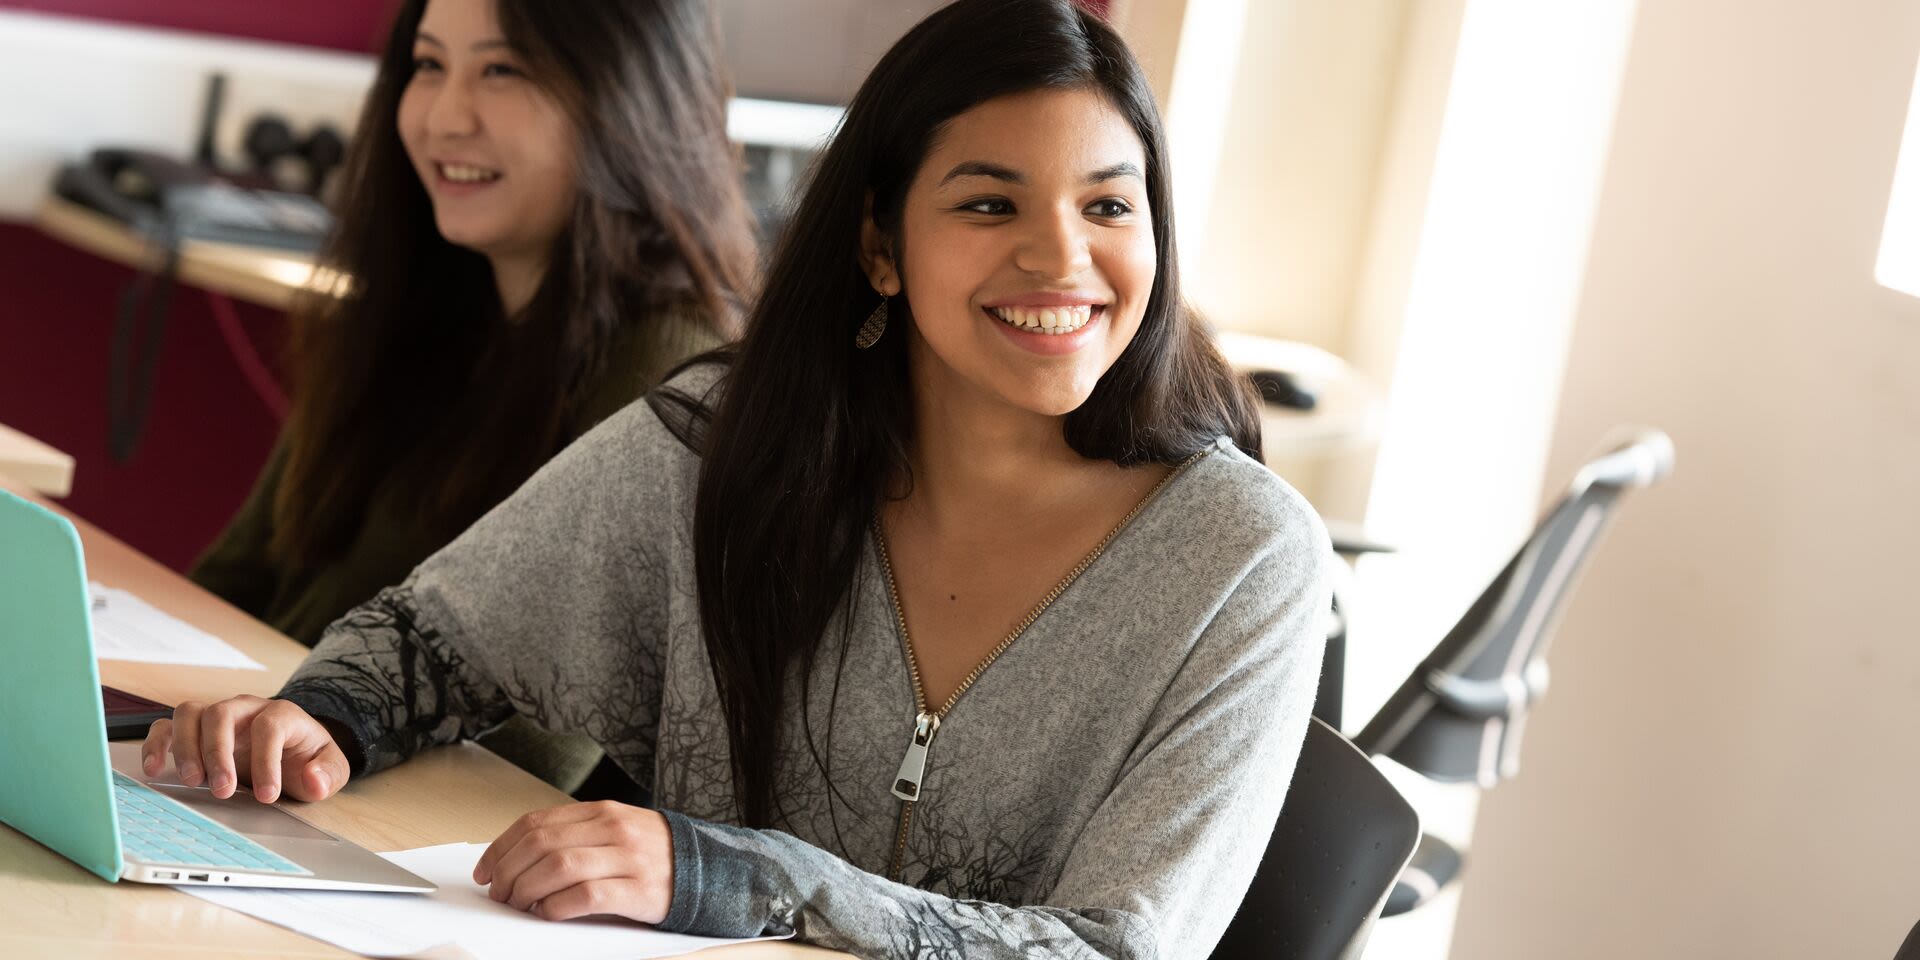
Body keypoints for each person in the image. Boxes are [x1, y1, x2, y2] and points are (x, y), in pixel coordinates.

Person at [146, 0, 1330, 955]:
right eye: (988, 202)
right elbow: (434, 637)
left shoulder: (1243, 557)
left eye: (1109, 206)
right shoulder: (724, 436)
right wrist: (316, 718)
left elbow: (1114, 951)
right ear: (878, 245)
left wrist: (749, 878)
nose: (1061, 257)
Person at [187, 0, 758, 793]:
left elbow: (538, 744)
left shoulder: (676, 369)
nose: (445, 117)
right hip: (261, 771)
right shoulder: (423, 306)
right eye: (428, 66)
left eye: (503, 70)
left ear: (632, 101)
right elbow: (234, 581)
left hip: (381, 815)